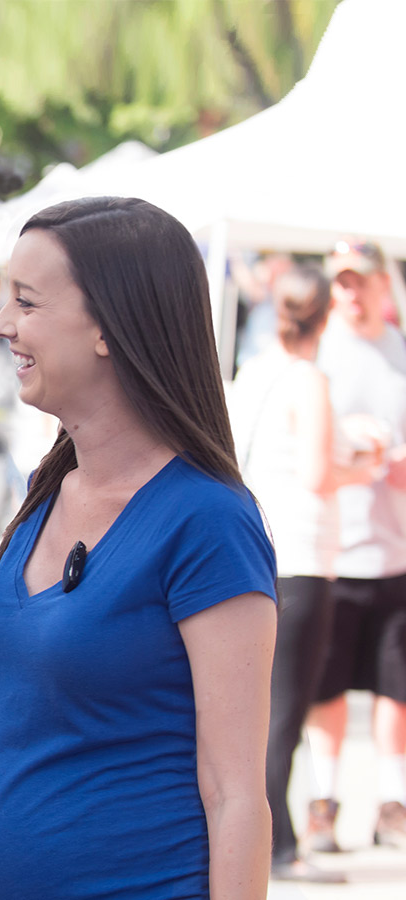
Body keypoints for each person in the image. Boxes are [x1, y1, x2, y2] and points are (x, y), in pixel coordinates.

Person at [0, 197, 277, 899]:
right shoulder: (50, 490)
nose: (1, 323)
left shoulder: (207, 519)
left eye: (27, 302)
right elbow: (24, 732)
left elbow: (236, 795)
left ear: (108, 326)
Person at [230, 265, 366, 882]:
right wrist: (365, 467)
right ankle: (281, 846)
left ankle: (278, 841)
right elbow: (316, 473)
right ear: (325, 316)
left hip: (256, 546)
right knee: (284, 708)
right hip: (303, 553)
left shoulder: (253, 371)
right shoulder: (308, 378)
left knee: (266, 706)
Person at [304, 238, 406, 852]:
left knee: (397, 691)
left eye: (359, 281)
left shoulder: (398, 351)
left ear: (381, 286)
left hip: (395, 549)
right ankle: (324, 800)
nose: (350, 292)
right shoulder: (324, 356)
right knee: (329, 688)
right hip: (337, 553)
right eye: (341, 282)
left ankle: (393, 802)